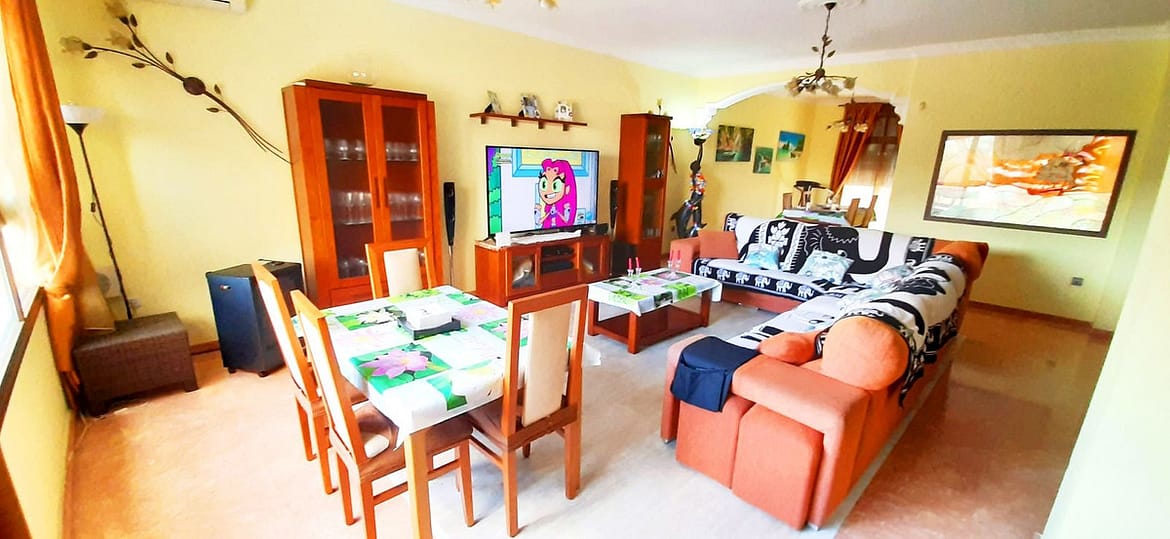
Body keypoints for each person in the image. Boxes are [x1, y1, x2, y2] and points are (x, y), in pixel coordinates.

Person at [535, 158, 578, 229]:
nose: (548, 191)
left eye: (556, 185)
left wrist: (558, 212)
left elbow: (566, 221)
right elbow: (538, 222)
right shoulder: (548, 210)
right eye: (544, 184)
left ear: (567, 188)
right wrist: (540, 212)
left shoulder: (565, 208)